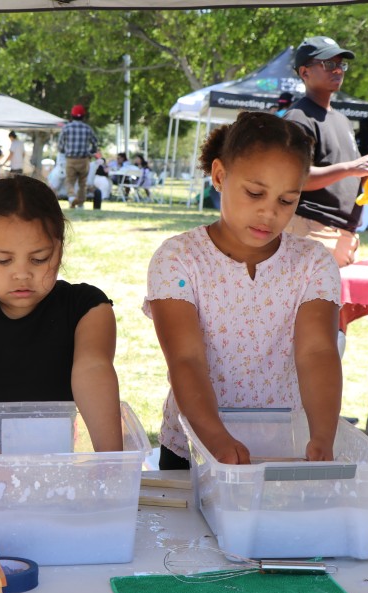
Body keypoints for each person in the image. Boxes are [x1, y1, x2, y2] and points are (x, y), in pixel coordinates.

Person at [143, 111, 342, 469]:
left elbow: (317, 353)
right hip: (194, 447)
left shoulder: (313, 263)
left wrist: (324, 436)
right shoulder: (179, 259)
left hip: (284, 446)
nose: (269, 212)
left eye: (286, 200)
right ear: (220, 176)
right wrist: (216, 438)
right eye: (255, 193)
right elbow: (185, 360)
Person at [0, 174, 123, 476]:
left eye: (39, 259)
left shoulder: (88, 307)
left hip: (50, 471)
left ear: (58, 250)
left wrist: (112, 469)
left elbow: (93, 372)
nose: (21, 274)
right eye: (3, 260)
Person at [284, 36, 368, 348]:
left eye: (340, 63)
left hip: (342, 237)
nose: (338, 69)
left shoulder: (341, 118)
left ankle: (318, 397)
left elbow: (342, 175)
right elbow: (298, 178)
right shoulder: (298, 117)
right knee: (316, 335)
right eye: (328, 63)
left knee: (332, 331)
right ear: (305, 72)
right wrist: (352, 168)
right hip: (311, 234)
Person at [57, 104, 98, 208]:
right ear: (83, 116)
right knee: (82, 183)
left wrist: (63, 150)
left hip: (70, 159)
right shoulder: (87, 128)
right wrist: (91, 152)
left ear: (72, 115)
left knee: (69, 181)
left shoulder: (66, 128)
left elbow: (60, 145)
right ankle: (80, 204)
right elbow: (95, 143)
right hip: (84, 160)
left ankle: (71, 197)